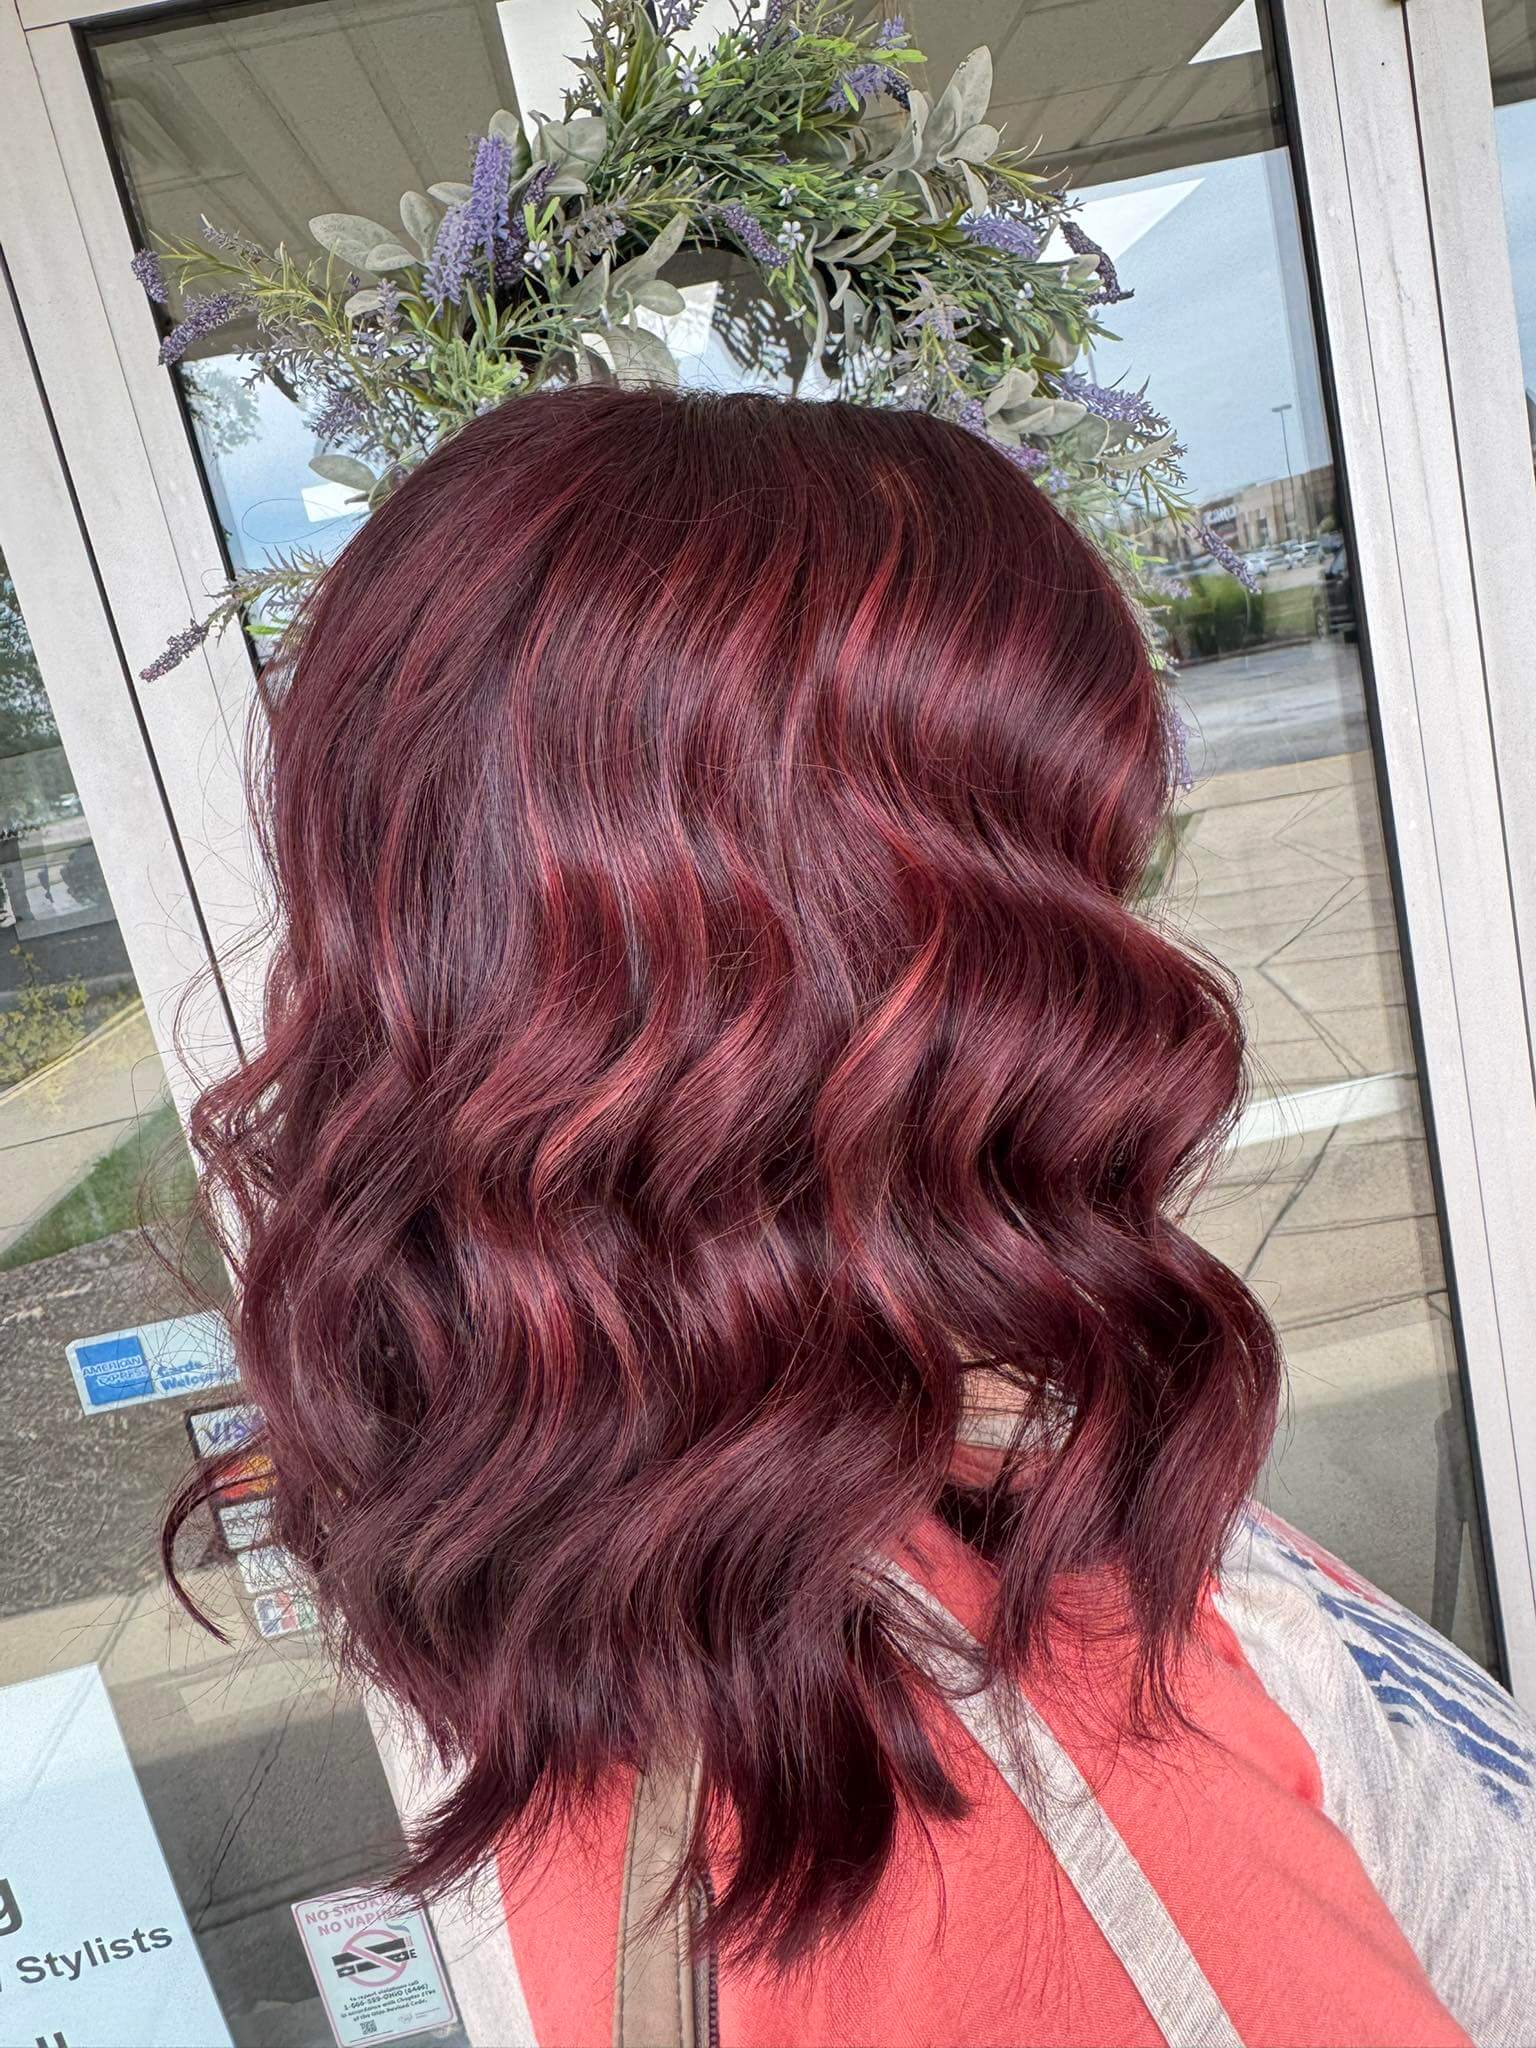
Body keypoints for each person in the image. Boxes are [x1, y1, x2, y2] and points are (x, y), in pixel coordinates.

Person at [172, 386, 1535, 2046]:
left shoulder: (632, 1577)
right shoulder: (1017, 1813)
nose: (1122, 956)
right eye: (1067, 865)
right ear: (912, 954)